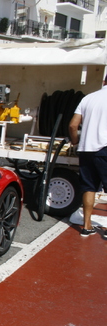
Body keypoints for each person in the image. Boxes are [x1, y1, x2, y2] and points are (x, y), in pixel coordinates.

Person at [68, 74, 107, 237]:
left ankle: (86, 226)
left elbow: (73, 124)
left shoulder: (88, 98)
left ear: (104, 81)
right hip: (105, 149)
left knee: (89, 187)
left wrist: (76, 142)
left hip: (86, 149)